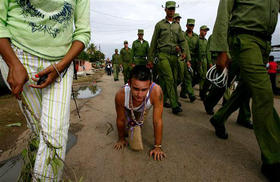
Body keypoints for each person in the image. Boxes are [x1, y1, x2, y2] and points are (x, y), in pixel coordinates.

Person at [0, 0, 90, 181]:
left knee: (54, 134)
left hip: (61, 63)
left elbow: (83, 32)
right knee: (39, 131)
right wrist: (13, 63)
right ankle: (35, 167)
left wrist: (60, 66)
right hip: (19, 57)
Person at [209, 0, 280, 181]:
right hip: (243, 39)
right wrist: (221, 49)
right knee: (263, 93)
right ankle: (274, 157)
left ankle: (219, 117)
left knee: (247, 88)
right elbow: (224, 11)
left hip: (264, 43)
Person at [114, 65, 166, 161]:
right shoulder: (120, 95)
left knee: (135, 141)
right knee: (126, 131)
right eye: (136, 89)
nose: (139, 94)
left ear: (150, 85)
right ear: (129, 84)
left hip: (143, 109)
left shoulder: (156, 92)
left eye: (144, 90)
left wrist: (158, 146)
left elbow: (157, 121)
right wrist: (121, 138)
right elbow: (120, 119)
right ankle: (131, 121)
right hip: (129, 109)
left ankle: (138, 119)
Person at [149, 1, 188, 114]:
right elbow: (153, 43)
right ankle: (174, 105)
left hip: (174, 57)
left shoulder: (177, 26)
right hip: (163, 55)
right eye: (169, 9)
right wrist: (150, 59)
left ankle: (163, 98)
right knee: (169, 78)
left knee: (174, 79)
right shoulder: (160, 25)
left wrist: (184, 51)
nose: (171, 11)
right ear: (165, 10)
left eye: (173, 9)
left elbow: (182, 41)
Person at [180, 18, 199, 102]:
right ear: (186, 25)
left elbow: (198, 48)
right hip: (184, 57)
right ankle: (191, 94)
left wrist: (199, 60)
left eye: (192, 25)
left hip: (194, 59)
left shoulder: (196, 37)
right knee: (186, 76)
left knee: (192, 76)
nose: (191, 27)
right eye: (190, 25)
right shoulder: (183, 35)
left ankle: (183, 91)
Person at [197, 25, 210, 100]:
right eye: (204, 31)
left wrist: (209, 62)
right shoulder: (197, 39)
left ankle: (202, 93)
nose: (205, 32)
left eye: (206, 31)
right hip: (198, 59)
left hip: (204, 59)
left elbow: (208, 52)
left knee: (204, 76)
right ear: (200, 30)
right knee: (199, 75)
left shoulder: (206, 41)